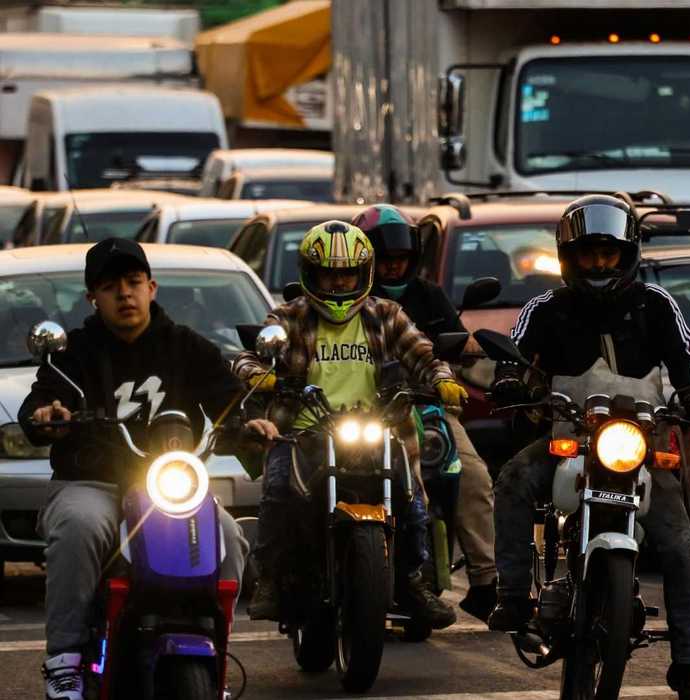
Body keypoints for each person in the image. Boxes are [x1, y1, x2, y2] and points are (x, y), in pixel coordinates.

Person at [486, 195, 690, 700]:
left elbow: (688, 357)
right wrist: (508, 379)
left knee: (681, 547)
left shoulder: (659, 305)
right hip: (565, 438)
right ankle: (510, 593)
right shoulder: (544, 307)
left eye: (608, 254)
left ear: (628, 253)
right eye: (589, 254)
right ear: (569, 256)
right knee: (510, 481)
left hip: (640, 442)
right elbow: (515, 349)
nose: (598, 264)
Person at [19, 238, 254, 700]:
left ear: (152, 287)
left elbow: (232, 400)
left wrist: (253, 422)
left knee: (228, 536)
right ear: (93, 298)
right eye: (110, 287)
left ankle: (216, 652)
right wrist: (46, 414)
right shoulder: (74, 354)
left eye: (133, 283)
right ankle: (64, 661)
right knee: (79, 527)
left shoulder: (187, 346)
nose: (124, 294)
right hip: (93, 482)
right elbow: (40, 401)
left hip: (172, 487)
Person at [232, 220, 467, 629]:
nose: (339, 282)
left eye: (347, 273)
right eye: (329, 273)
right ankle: (269, 578)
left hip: (377, 429)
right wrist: (258, 374)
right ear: (311, 273)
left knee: (413, 506)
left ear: (362, 274)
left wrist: (443, 380)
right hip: (304, 432)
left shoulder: (387, 315)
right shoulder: (289, 317)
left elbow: (424, 356)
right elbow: (247, 357)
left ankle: (411, 580)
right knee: (275, 491)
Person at [351, 203, 498, 621]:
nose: (394, 269)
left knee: (473, 475)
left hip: (426, 408)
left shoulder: (428, 295)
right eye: (385, 261)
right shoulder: (347, 300)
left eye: (401, 260)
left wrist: (469, 351)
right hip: (359, 413)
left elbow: (455, 345)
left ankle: (486, 582)